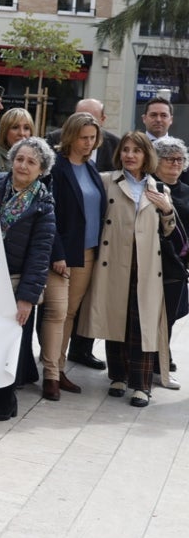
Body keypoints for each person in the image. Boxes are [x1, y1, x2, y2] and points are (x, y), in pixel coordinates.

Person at [80, 133, 181, 408]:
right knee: (117, 317)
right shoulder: (106, 181)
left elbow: (170, 231)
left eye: (136, 150)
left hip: (147, 264)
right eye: (125, 150)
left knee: (143, 323)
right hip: (113, 261)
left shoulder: (159, 187)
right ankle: (118, 376)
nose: (129, 155)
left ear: (146, 155)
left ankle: (142, 384)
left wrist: (167, 209)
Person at [0, 138, 57, 420]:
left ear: (41, 169)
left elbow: (40, 254)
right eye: (20, 159)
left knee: (10, 344)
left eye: (31, 162)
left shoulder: (44, 202)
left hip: (16, 281)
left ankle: (3, 402)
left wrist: (27, 299)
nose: (23, 165)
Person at [47, 112, 107, 399]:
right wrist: (57, 252)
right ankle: (52, 372)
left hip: (89, 251)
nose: (88, 143)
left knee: (70, 313)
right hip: (63, 253)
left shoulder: (91, 167)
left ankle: (59, 367)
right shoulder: (56, 168)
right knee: (56, 313)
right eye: (84, 137)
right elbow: (51, 214)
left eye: (92, 138)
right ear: (70, 135)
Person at [151, 136, 189, 389]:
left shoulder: (186, 191)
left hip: (180, 263)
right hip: (155, 260)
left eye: (180, 159)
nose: (176, 163)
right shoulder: (151, 188)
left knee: (172, 316)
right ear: (156, 161)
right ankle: (156, 364)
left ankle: (162, 359)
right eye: (169, 158)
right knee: (153, 316)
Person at [0, 107, 34, 177]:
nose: (22, 133)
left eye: (26, 128)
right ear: (4, 131)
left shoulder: (35, 157)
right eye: (15, 127)